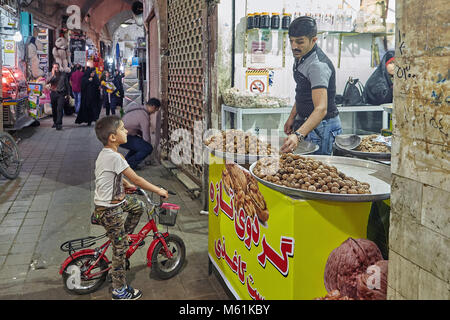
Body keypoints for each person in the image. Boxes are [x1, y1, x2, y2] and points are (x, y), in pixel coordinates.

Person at [93, 115, 168, 300]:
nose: (127, 131)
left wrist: (125, 184)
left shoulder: (108, 154)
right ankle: (119, 290)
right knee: (119, 249)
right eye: (123, 129)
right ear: (112, 137)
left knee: (138, 206)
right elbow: (137, 179)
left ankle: (125, 235)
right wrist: (158, 190)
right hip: (109, 211)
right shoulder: (115, 157)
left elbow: (116, 175)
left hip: (112, 203)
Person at [281, 16, 342, 155]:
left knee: (317, 174)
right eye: (291, 41)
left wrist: (298, 135)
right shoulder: (301, 57)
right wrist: (292, 117)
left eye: (300, 42)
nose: (294, 46)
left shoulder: (317, 65)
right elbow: (303, 91)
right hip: (307, 123)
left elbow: (321, 108)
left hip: (322, 128)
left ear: (314, 40)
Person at [120, 98, 161, 170]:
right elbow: (146, 137)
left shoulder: (137, 109)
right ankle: (130, 165)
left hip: (118, 134)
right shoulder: (144, 116)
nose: (154, 113)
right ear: (153, 107)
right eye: (155, 110)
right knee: (147, 148)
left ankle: (125, 163)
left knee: (139, 145)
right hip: (122, 137)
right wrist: (149, 149)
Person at [46, 62, 70, 130]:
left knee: (59, 109)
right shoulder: (50, 74)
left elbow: (67, 84)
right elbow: (47, 81)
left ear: (59, 67)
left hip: (61, 93)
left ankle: (59, 124)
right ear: (52, 68)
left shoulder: (63, 74)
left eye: (57, 67)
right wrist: (52, 75)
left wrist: (68, 94)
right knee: (54, 109)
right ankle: (55, 122)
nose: (56, 69)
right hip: (53, 93)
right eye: (55, 67)